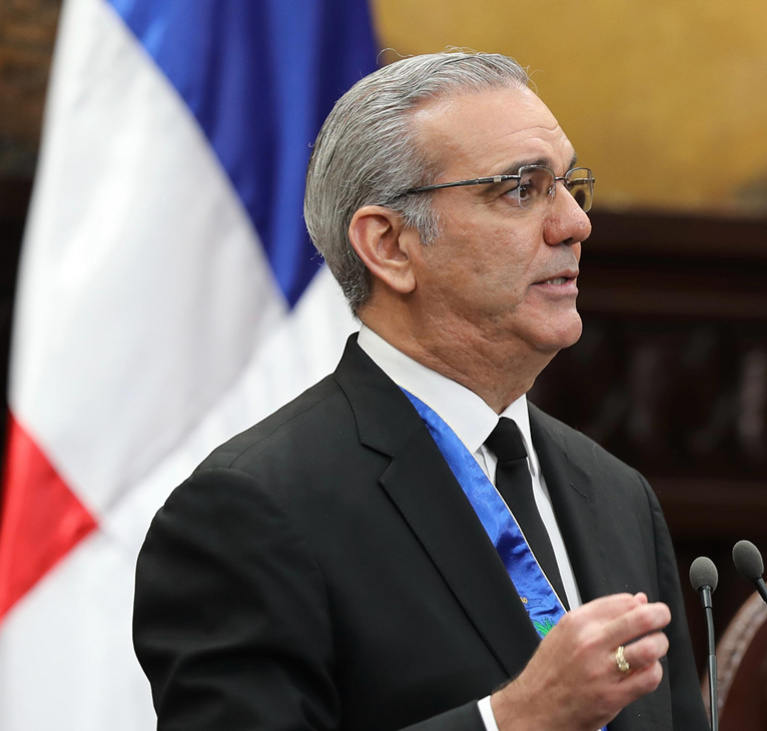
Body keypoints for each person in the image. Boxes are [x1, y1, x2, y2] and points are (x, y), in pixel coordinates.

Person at [133, 52, 709, 731]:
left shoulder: (616, 493)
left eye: (568, 186)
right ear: (390, 245)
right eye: (521, 190)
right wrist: (506, 722)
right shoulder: (252, 509)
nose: (574, 225)